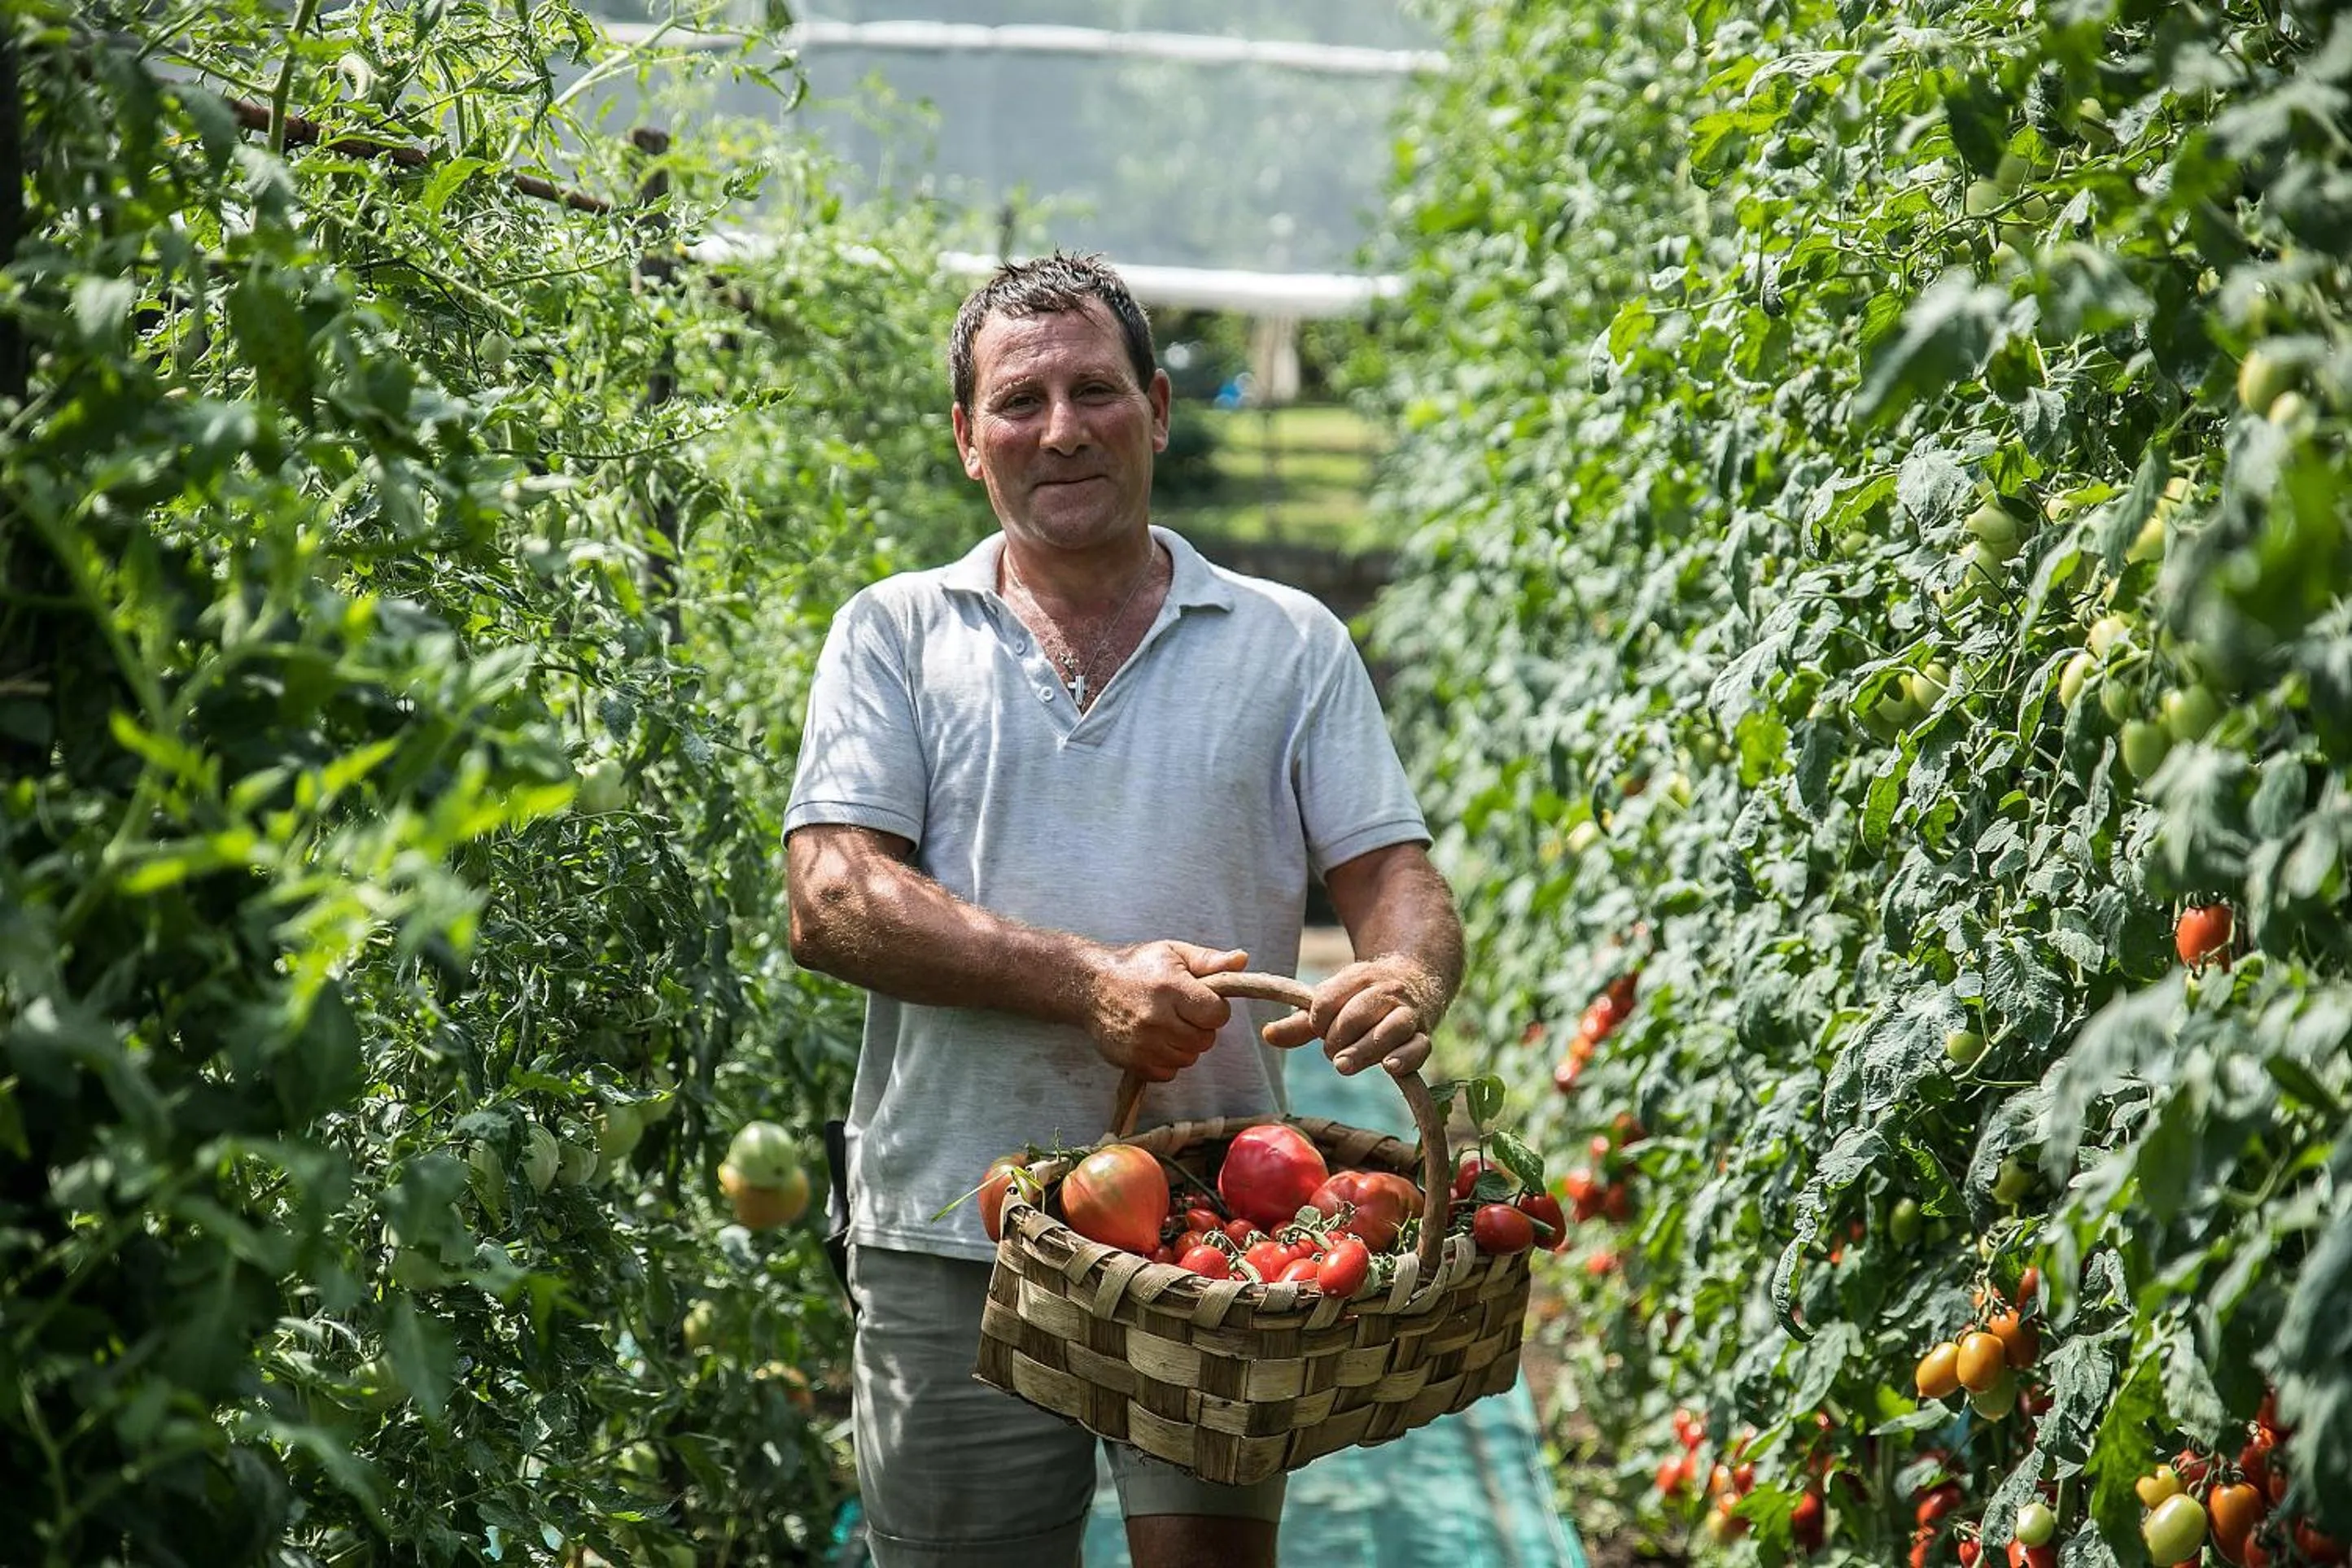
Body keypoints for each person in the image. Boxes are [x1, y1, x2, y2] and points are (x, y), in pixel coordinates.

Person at [783, 252, 1464, 1568]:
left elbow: (1394, 877)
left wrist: (1407, 969)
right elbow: (831, 898)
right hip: (952, 1224)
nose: (1061, 427)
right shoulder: (895, 632)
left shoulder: (1287, 640)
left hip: (1219, 1230)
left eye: (1094, 389)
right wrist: (1087, 983)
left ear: (1156, 408)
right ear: (968, 440)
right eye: (1019, 399)